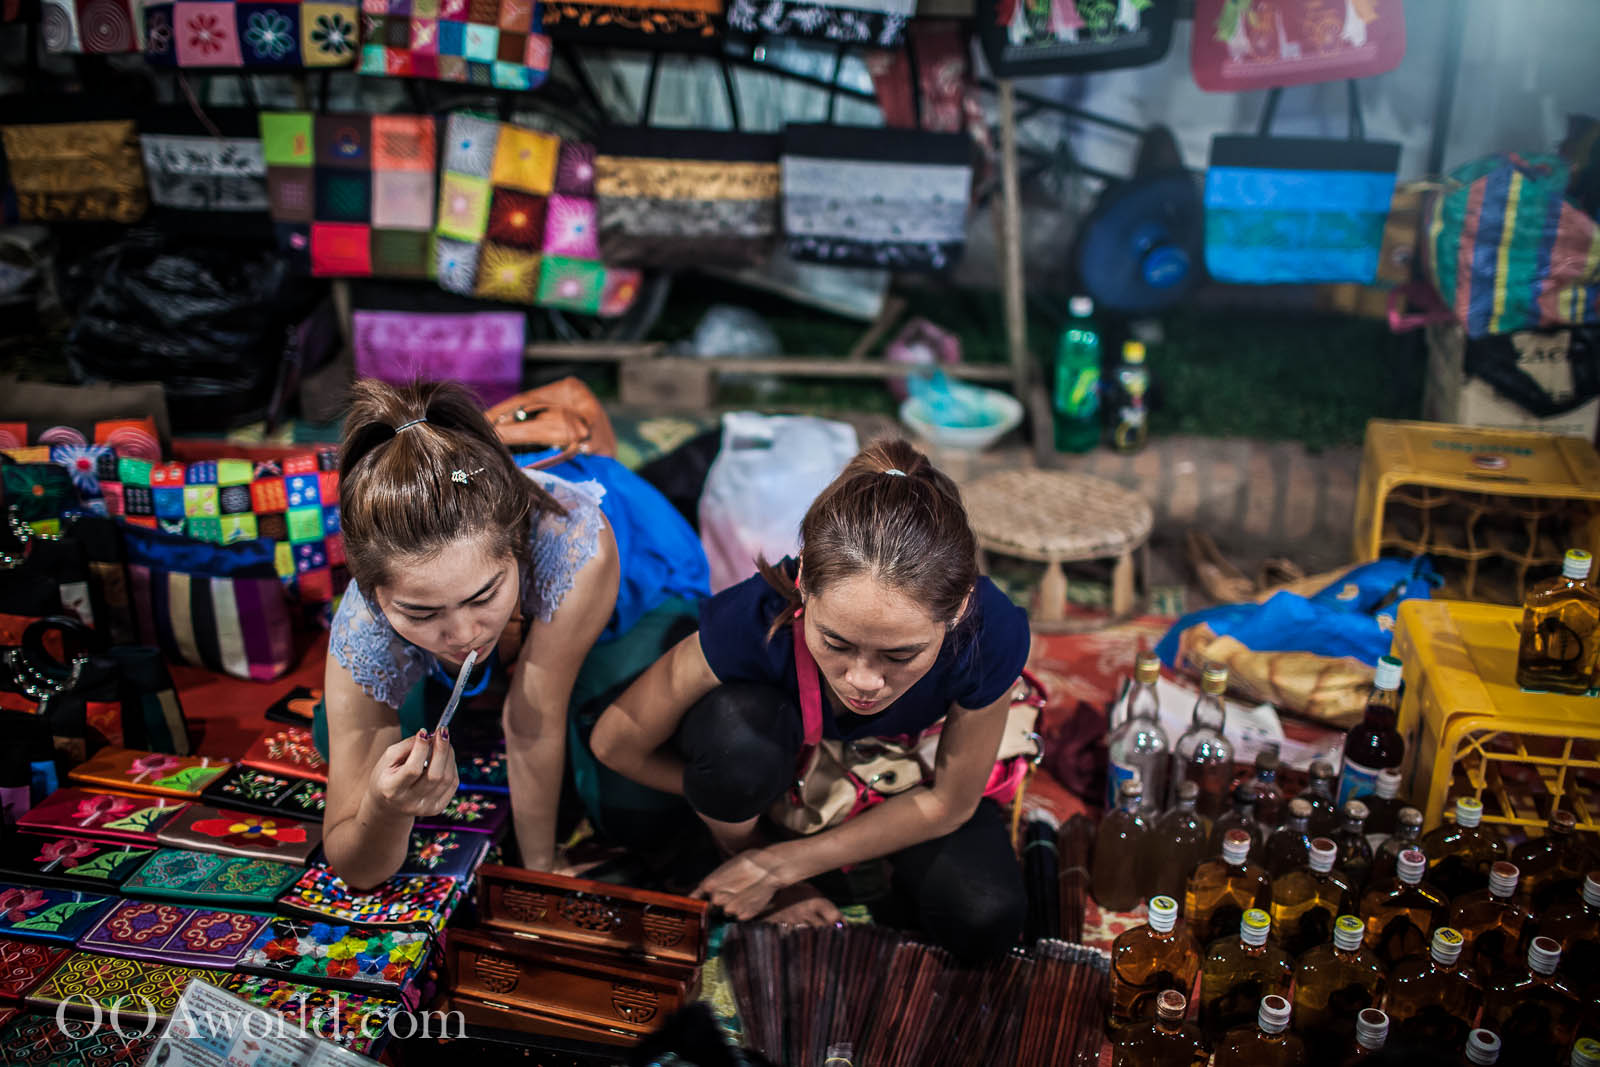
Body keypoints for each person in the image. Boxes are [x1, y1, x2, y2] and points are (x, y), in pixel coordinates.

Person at [592, 439, 1031, 963]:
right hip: (769, 776)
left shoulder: (992, 630)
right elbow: (615, 742)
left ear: (958, 608)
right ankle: (735, 836)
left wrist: (781, 867)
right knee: (739, 744)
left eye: (900, 654)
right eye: (837, 643)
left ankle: (829, 857)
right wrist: (738, 817)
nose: (863, 680)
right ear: (802, 585)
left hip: (901, 776)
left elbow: (948, 802)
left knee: (985, 920)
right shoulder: (752, 618)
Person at [318, 379, 707, 889]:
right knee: (337, 736)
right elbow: (355, 865)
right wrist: (383, 807)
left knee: (632, 804)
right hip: (523, 617)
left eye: (483, 596)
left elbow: (531, 721)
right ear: (370, 591)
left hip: (635, 597)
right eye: (419, 611)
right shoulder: (362, 621)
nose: (462, 633)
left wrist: (536, 869)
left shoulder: (572, 542)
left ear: (517, 547)